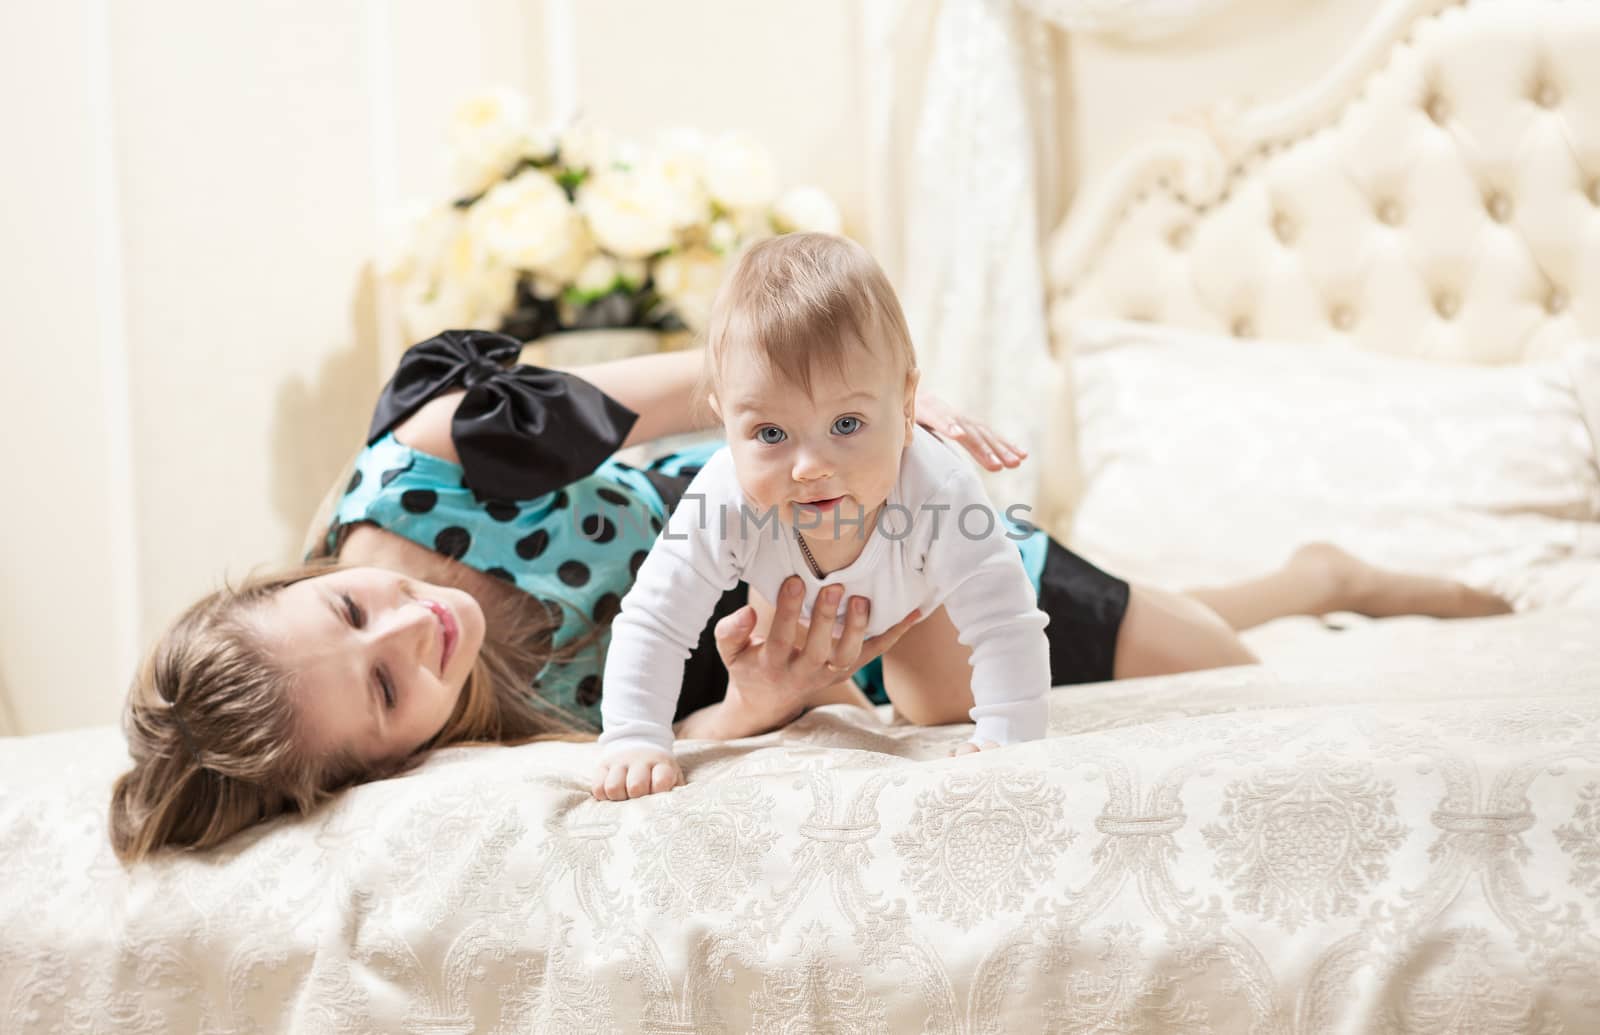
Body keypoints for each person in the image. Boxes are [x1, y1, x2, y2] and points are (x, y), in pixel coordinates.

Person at [108, 266, 1510, 865]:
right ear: (381, 757)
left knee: (1213, 661)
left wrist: (887, 420)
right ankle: (1302, 571)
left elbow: (717, 377)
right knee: (984, 686)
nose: (417, 626)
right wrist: (759, 708)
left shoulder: (440, 457)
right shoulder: (466, 746)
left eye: (352, 607)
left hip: (848, 496)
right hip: (822, 618)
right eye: (386, 686)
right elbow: (659, 732)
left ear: (288, 570)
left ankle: (1323, 573)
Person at [595, 234, 1056, 800]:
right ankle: (832, 695)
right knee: (785, 680)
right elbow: (655, 620)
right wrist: (635, 736)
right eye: (769, 434)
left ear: (908, 408)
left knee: (938, 707)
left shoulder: (937, 486)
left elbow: (1004, 620)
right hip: (788, 601)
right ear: (725, 422)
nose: (810, 468)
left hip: (917, 595)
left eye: (846, 425)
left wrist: (1010, 731)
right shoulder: (725, 496)